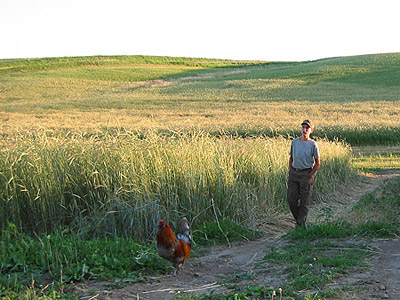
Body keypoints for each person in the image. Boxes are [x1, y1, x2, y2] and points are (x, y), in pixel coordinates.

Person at [287, 119, 321, 227]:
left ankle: (300, 226)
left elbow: (318, 163)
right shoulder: (295, 142)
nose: (304, 129)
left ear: (311, 130)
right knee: (291, 200)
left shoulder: (313, 144)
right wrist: (291, 171)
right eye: (303, 127)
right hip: (294, 174)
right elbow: (291, 158)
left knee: (304, 202)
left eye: (307, 128)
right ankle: (300, 222)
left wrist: (310, 175)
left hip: (306, 174)